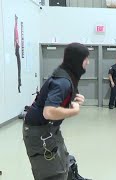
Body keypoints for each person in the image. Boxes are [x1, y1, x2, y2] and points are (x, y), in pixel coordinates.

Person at [23, 43, 89, 180]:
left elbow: (57, 101)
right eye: (85, 59)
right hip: (38, 132)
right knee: (53, 174)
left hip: (50, 129)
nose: (88, 62)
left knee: (63, 164)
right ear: (76, 60)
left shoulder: (67, 76)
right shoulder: (62, 81)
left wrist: (73, 102)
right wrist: (74, 111)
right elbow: (49, 112)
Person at [14, 14, 21, 93]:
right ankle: (19, 83)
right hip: (17, 52)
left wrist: (16, 21)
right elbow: (16, 32)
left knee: (19, 68)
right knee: (19, 68)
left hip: (17, 52)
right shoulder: (16, 39)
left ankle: (19, 83)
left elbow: (16, 32)